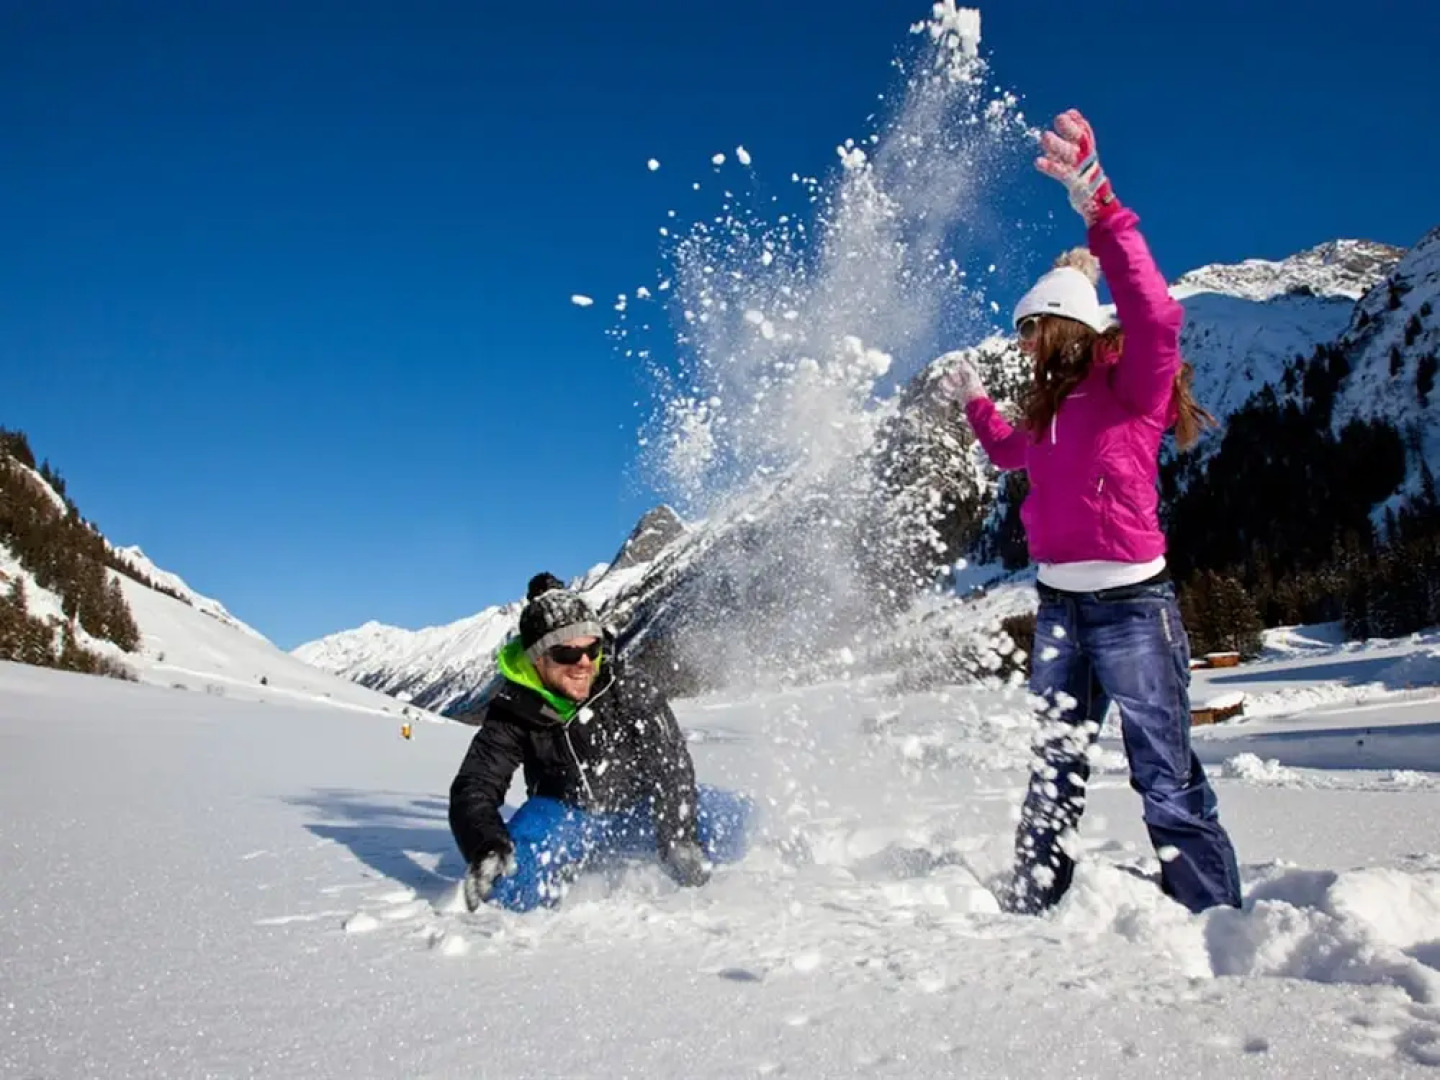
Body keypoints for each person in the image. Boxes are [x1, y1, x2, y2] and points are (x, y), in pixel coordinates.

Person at [937, 109, 1241, 915]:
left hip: (1135, 608)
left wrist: (1100, 208)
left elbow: (1154, 312)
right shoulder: (1045, 414)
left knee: (1164, 774)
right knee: (1054, 767)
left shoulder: (1130, 387)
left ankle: (1215, 918)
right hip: (1060, 607)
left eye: (1032, 331)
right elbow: (1009, 453)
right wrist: (974, 404)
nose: (1023, 348)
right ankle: (1035, 905)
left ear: (1068, 328)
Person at [449, 573, 750, 912]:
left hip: (642, 807)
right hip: (565, 815)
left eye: (591, 648)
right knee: (509, 880)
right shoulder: (515, 708)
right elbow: (475, 786)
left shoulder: (628, 686)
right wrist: (486, 843)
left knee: (736, 818)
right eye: (565, 653)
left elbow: (671, 763)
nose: (583, 663)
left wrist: (678, 835)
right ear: (537, 659)